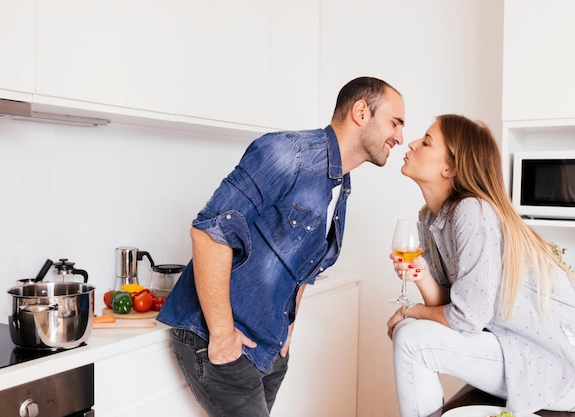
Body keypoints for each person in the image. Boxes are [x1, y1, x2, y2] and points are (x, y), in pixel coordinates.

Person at [157, 76, 406, 417]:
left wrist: (287, 328)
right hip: (222, 340)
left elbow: (306, 265)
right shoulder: (287, 153)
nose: (400, 137)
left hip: (269, 347)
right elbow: (209, 233)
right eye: (395, 122)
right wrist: (223, 334)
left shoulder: (340, 184)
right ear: (361, 112)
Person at [386, 114, 575, 417]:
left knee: (411, 337)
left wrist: (410, 311)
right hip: (523, 349)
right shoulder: (430, 218)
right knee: (411, 333)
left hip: (573, 364)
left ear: (450, 167)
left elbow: (466, 318)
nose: (411, 143)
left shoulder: (472, 211)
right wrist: (422, 276)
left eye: (426, 141)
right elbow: (453, 308)